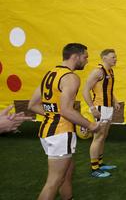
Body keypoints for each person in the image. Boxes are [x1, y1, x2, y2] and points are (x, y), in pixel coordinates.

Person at [27, 43, 102, 200]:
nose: (87, 61)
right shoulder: (71, 77)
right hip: (60, 134)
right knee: (53, 182)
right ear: (75, 56)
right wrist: (90, 125)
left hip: (48, 132)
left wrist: (55, 115)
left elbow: (32, 105)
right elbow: (67, 110)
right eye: (85, 57)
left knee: (67, 173)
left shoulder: (50, 73)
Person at [82, 48, 120, 178]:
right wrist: (92, 108)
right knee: (98, 137)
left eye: (115, 57)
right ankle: (94, 169)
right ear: (104, 58)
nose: (115, 59)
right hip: (100, 108)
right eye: (113, 57)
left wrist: (115, 101)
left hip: (108, 107)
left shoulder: (110, 71)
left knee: (103, 136)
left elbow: (109, 89)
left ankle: (100, 163)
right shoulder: (98, 71)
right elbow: (85, 90)